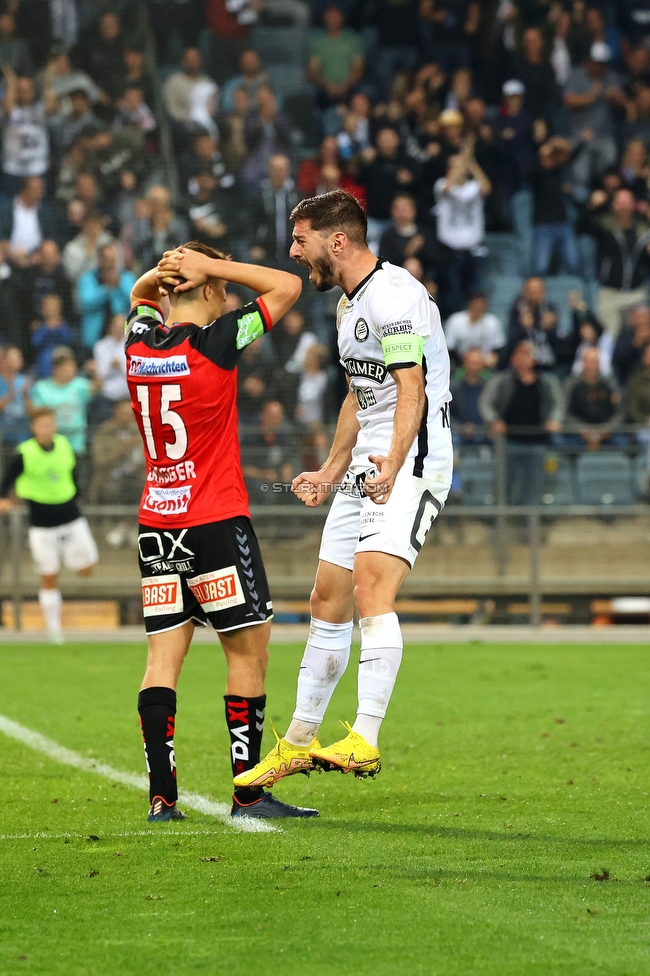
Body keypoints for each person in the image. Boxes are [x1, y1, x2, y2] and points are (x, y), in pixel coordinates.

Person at [237, 189, 453, 790]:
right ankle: (301, 741)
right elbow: (362, 393)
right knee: (327, 598)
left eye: (300, 238)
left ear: (338, 241)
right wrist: (333, 470)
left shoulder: (395, 296)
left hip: (411, 461)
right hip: (366, 465)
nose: (292, 249)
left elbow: (411, 389)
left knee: (370, 586)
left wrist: (393, 464)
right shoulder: (348, 305)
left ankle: (365, 737)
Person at [125, 240, 316, 822]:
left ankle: (162, 797)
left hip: (158, 525)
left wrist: (163, 272)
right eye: (221, 287)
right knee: (248, 653)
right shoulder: (216, 342)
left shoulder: (137, 347)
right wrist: (209, 266)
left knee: (162, 660)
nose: (227, 294)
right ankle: (248, 793)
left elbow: (137, 294)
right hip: (214, 521)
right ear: (205, 287)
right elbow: (287, 286)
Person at [0, 407, 98, 643]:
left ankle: (71, 558)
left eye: (50, 424)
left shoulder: (64, 445)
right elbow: (8, 480)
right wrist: (4, 499)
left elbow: (73, 475)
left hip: (72, 519)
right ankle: (54, 631)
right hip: (42, 525)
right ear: (34, 428)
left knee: (87, 568)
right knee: (48, 577)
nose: (47, 429)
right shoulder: (25, 453)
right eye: (42, 425)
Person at [479, 341, 565, 504]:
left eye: (526, 354)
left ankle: (531, 524)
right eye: (518, 354)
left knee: (534, 485)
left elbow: (558, 403)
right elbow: (486, 402)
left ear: (534, 359)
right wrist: (494, 420)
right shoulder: (502, 380)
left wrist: (554, 420)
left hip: (538, 441)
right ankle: (503, 519)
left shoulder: (546, 382)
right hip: (509, 441)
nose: (522, 359)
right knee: (505, 483)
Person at [580, 188, 650, 337]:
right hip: (610, 293)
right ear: (613, 205)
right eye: (620, 202)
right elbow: (581, 227)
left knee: (642, 336)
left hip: (636, 293)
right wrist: (592, 206)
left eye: (627, 202)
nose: (624, 206)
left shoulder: (643, 230)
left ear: (633, 205)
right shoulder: (604, 226)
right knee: (608, 337)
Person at [434, 142, 491, 316]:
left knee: (473, 295)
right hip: (449, 252)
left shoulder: (474, 186)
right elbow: (448, 187)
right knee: (451, 296)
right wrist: (464, 158)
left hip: (473, 252)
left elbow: (487, 188)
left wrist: (470, 161)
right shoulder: (441, 184)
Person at [31, 346, 94, 456]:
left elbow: (96, 388)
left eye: (71, 365)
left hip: (76, 442)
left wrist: (95, 373)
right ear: (55, 368)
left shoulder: (79, 385)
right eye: (66, 366)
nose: (71, 369)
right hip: (52, 441)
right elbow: (37, 413)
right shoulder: (42, 388)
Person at [565, 347, 621, 448]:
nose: (593, 365)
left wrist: (608, 428)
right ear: (583, 362)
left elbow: (619, 411)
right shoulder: (571, 384)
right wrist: (580, 429)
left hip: (606, 431)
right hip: (578, 432)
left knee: (622, 442)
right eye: (590, 361)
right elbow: (565, 412)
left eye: (596, 361)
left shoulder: (609, 384)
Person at [444, 292, 504, 369]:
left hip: (485, 364)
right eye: (476, 303)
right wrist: (463, 362)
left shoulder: (493, 322)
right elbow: (450, 347)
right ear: (469, 303)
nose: (479, 307)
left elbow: (498, 348)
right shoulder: (455, 320)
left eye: (482, 304)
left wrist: (488, 360)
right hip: (460, 364)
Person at [0, 346, 31, 468]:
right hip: (4, 438)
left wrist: (25, 395)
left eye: (17, 358)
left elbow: (32, 411)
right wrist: (10, 395)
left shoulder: (26, 381)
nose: (14, 361)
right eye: (10, 358)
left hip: (23, 436)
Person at [450, 347, 488, 444]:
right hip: (460, 435)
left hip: (486, 434)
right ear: (464, 363)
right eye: (472, 363)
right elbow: (447, 413)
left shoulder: (489, 387)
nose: (475, 367)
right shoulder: (454, 388)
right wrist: (461, 427)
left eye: (478, 363)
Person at [31, 294, 74, 379]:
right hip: (44, 362)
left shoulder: (63, 325)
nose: (52, 310)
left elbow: (68, 340)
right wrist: (46, 328)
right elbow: (35, 342)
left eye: (54, 307)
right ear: (43, 310)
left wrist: (59, 327)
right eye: (49, 307)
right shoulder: (40, 326)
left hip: (61, 358)